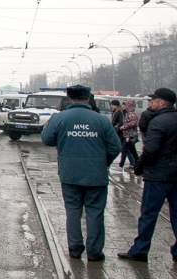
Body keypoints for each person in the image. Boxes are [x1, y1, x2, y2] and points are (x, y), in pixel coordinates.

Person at [41, 85, 121, 262]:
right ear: (88, 98)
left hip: (70, 174)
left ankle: (75, 248)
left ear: (69, 99)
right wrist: (103, 163)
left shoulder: (59, 118)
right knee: (95, 212)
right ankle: (94, 252)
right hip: (96, 175)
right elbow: (116, 146)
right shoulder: (101, 120)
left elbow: (46, 139)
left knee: (72, 211)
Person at [118, 87, 177, 265]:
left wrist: (139, 166)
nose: (150, 103)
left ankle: (140, 250)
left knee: (149, 213)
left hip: (158, 175)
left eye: (153, 100)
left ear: (161, 102)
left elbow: (150, 149)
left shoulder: (158, 122)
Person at [117, 100, 141, 170]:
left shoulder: (131, 114)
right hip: (128, 135)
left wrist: (123, 127)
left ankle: (121, 165)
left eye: (126, 105)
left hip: (129, 136)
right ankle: (138, 163)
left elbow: (133, 123)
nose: (125, 106)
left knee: (124, 150)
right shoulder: (129, 113)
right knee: (132, 151)